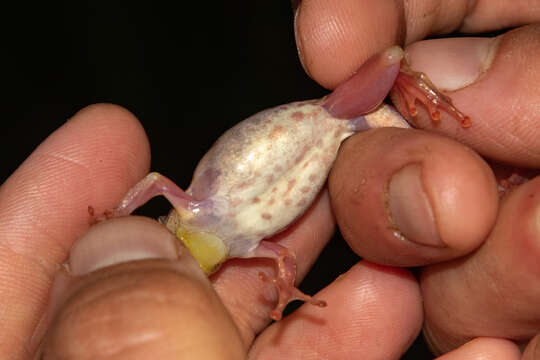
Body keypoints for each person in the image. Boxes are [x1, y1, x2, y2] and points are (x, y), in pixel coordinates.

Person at [2, 1, 539, 358]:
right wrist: (284, 291)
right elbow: (281, 257)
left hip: (334, 115)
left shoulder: (191, 208)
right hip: (343, 138)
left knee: (388, 61)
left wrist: (119, 215)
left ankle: (406, 79)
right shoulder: (240, 248)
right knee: (446, 187)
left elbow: (156, 180)